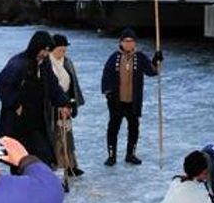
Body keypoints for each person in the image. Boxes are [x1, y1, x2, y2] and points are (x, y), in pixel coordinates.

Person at [0, 31, 72, 171]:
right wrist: (15, 104)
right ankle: (22, 188)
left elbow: (53, 85)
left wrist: (64, 103)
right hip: (18, 123)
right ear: (36, 47)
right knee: (20, 160)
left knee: (44, 157)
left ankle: (39, 186)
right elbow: (0, 83)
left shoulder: (44, 64)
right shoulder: (19, 63)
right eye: (44, 50)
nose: (46, 53)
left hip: (37, 121)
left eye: (48, 50)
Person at [100, 28, 163, 166]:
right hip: (117, 101)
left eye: (131, 41)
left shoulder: (139, 57)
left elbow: (152, 71)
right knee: (113, 128)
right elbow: (106, 76)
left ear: (135, 43)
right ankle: (111, 156)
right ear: (121, 42)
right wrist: (108, 93)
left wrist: (156, 60)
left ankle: (131, 154)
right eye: (126, 41)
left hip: (133, 101)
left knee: (134, 128)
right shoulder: (114, 57)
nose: (128, 44)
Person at [49, 33, 85, 177]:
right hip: (54, 106)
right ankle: (60, 165)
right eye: (60, 50)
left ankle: (71, 164)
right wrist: (58, 104)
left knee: (68, 135)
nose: (62, 53)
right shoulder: (47, 64)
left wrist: (73, 103)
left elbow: (73, 84)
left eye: (64, 50)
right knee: (57, 136)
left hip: (66, 103)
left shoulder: (67, 62)